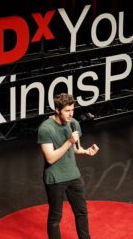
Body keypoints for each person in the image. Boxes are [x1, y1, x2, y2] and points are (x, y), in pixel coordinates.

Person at [37, 93, 99, 239]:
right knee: (55, 218)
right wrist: (69, 141)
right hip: (55, 178)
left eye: (72, 110)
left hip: (73, 175)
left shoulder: (74, 123)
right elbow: (50, 158)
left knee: (82, 212)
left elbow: (75, 149)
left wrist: (86, 151)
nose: (71, 114)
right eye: (67, 110)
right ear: (57, 110)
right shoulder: (45, 129)